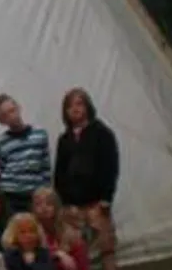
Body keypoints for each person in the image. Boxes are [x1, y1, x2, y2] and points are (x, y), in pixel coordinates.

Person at [53, 88, 119, 270]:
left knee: (106, 247)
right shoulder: (64, 139)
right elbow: (59, 172)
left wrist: (107, 197)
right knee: (72, 247)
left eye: (79, 104)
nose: (75, 109)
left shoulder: (102, 133)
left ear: (87, 107)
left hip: (97, 203)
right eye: (70, 106)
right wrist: (65, 200)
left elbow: (110, 166)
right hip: (73, 205)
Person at [0, 95, 50, 214]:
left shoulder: (40, 134)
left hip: (34, 195)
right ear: (0, 120)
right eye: (5, 115)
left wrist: (46, 194)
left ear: (18, 108)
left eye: (12, 110)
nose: (11, 116)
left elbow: (45, 168)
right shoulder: (1, 143)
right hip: (10, 196)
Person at [30, 188, 87, 270]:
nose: (44, 207)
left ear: (56, 206)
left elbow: (82, 266)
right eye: (38, 204)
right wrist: (57, 254)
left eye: (49, 203)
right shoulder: (29, 232)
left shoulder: (72, 235)